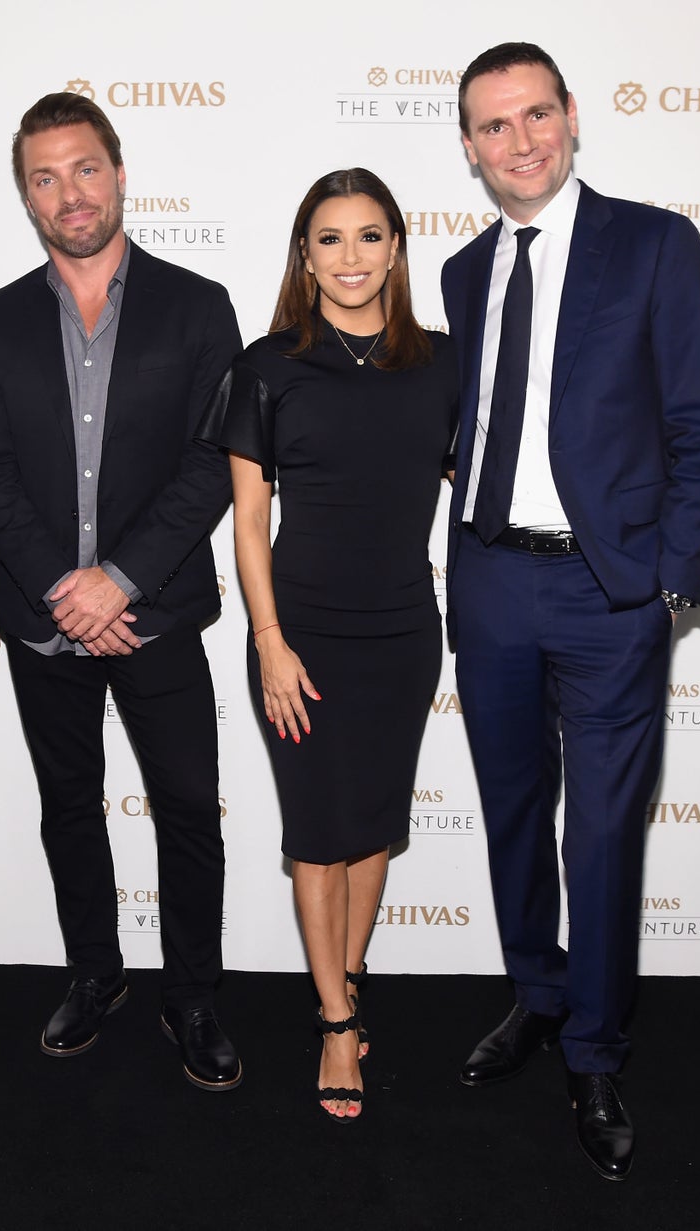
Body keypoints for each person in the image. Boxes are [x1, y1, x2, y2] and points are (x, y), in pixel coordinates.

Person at [441, 43, 700, 1178]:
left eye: (533, 116)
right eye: (492, 126)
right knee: (512, 811)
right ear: (467, 147)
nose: (519, 142)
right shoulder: (465, 274)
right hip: (488, 577)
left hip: (610, 591)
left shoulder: (655, 243)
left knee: (601, 831)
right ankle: (536, 993)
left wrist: (668, 581)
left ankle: (597, 1050)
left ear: (570, 117)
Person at [0, 93, 242, 1091]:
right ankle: (93, 973)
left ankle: (193, 993)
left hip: (154, 611)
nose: (67, 193)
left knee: (186, 811)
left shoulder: (197, 304)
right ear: (26, 194)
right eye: (44, 176)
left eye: (83, 168)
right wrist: (57, 588)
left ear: (118, 173)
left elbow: (212, 462)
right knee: (69, 805)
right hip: (43, 626)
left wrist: (115, 581)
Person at [200, 169, 458, 1121]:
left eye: (368, 236)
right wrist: (267, 640)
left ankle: (346, 977)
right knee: (318, 827)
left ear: (396, 247)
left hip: (401, 630)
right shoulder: (267, 366)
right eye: (329, 239)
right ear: (303, 257)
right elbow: (250, 517)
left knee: (372, 826)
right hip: (300, 627)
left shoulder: (442, 362)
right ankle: (336, 1023)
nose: (350, 257)